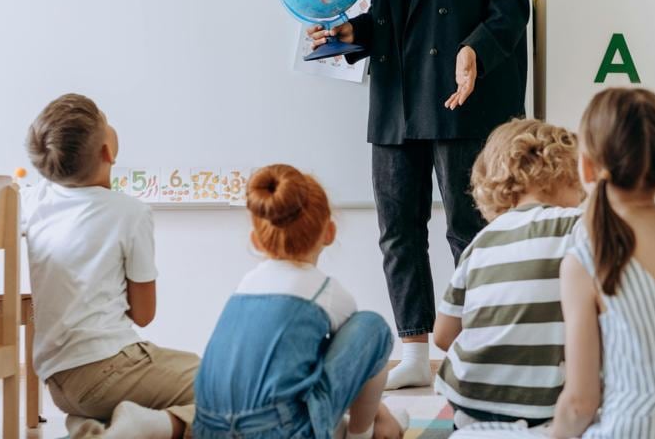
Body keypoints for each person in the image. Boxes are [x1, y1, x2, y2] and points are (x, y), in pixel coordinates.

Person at [309, 0, 532, 389]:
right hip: (397, 91)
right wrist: (351, 32)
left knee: (471, 226)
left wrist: (477, 49)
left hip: (467, 92)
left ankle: (479, 349)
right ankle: (413, 350)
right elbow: (389, 10)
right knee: (397, 224)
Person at [24, 93, 196, 439]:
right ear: (107, 152)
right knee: (232, 387)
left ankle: (92, 427)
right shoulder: (130, 213)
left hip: (59, 383)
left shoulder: (35, 199)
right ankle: (144, 428)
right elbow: (144, 314)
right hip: (109, 368)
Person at [192, 164, 407, 439]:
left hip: (207, 428)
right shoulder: (327, 292)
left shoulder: (243, 288)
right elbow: (354, 365)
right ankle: (362, 434)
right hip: (279, 431)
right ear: (329, 232)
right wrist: (379, 413)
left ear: (256, 241)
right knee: (372, 328)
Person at [433, 119, 585, 428]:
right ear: (558, 173)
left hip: (469, 401)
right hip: (546, 406)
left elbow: (443, 335)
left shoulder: (480, 243)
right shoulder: (577, 224)